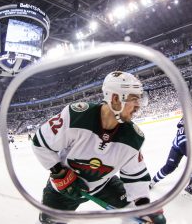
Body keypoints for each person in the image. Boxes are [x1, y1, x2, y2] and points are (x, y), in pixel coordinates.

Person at [32, 71, 166, 224]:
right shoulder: (76, 117)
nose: (138, 106)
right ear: (115, 98)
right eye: (134, 99)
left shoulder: (133, 137)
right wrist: (59, 173)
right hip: (63, 190)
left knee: (146, 217)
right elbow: (40, 143)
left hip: (102, 185)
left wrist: (143, 208)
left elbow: (135, 177)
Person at [149, 102, 192, 199]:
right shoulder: (183, 123)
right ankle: (153, 181)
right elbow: (182, 142)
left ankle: (191, 186)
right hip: (178, 147)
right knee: (169, 167)